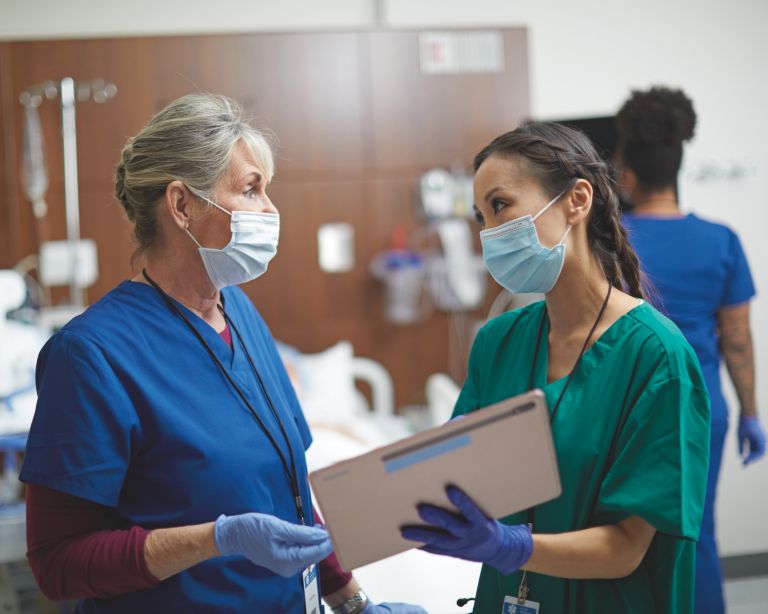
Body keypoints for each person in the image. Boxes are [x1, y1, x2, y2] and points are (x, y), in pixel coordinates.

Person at [20, 93, 425, 614]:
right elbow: (58, 564)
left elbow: (291, 496)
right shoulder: (92, 356)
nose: (271, 209)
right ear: (182, 205)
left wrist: (351, 601)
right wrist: (217, 539)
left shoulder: (239, 314)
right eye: (252, 189)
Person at [399, 122, 711, 613]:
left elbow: (627, 548)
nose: (489, 233)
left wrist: (515, 547)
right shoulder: (499, 341)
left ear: (577, 200)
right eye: (480, 218)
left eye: (501, 206)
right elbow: (468, 478)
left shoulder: (656, 357)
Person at [616, 86, 766, 614]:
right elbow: (738, 343)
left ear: (624, 171)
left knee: (622, 541)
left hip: (626, 411)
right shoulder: (721, 240)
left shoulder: (609, 241)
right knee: (698, 535)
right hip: (703, 412)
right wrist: (750, 413)